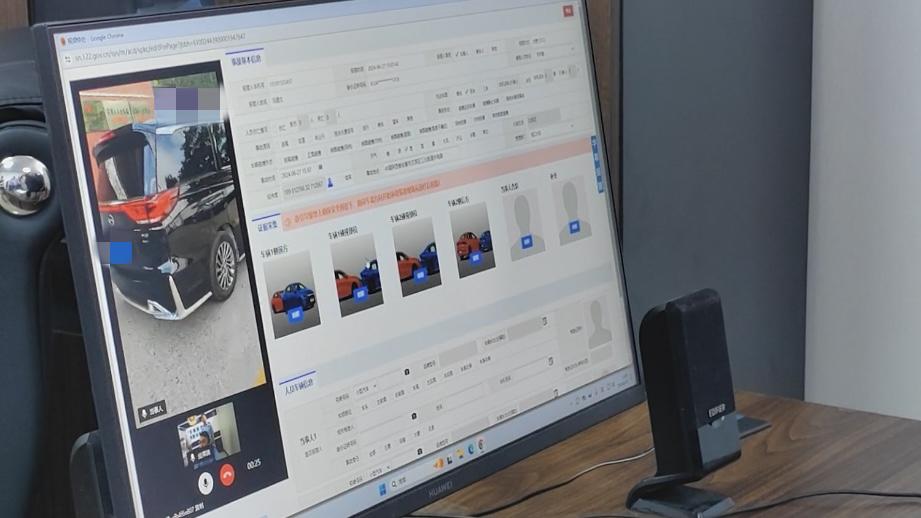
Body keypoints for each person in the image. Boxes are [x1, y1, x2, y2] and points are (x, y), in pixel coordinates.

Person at [510, 194, 546, 260]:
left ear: (529, 214)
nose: (523, 217)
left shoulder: (541, 243)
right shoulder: (513, 252)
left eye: (524, 212)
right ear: (516, 218)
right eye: (520, 213)